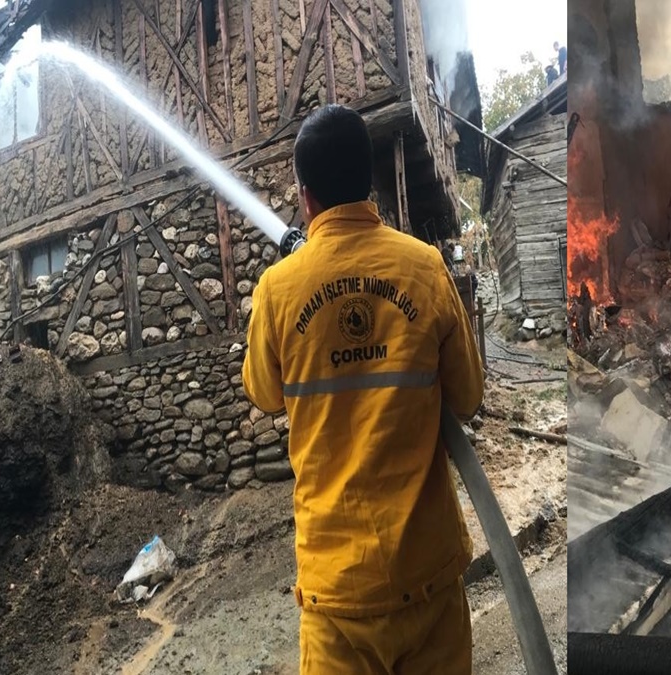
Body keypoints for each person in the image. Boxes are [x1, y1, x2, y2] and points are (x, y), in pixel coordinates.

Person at [242, 104, 484, 675]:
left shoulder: (277, 291)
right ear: (369, 185)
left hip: (336, 600)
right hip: (428, 584)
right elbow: (468, 399)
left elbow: (263, 393)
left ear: (306, 199)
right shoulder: (424, 268)